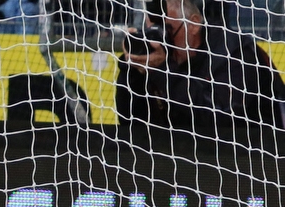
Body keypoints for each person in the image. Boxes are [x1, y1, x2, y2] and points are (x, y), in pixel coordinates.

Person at [115, 0, 285, 140]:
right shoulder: (164, 60)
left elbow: (220, 122)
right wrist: (132, 71)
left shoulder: (235, 52)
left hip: (260, 158)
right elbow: (131, 124)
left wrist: (164, 70)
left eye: (166, 30)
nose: (162, 40)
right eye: (154, 31)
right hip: (189, 164)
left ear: (194, 24)